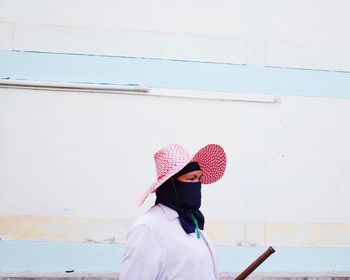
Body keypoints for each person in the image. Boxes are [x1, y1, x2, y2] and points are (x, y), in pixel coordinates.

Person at [120, 143, 227, 280]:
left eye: (199, 179)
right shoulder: (148, 229)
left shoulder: (193, 222)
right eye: (191, 179)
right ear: (171, 184)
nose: (197, 185)